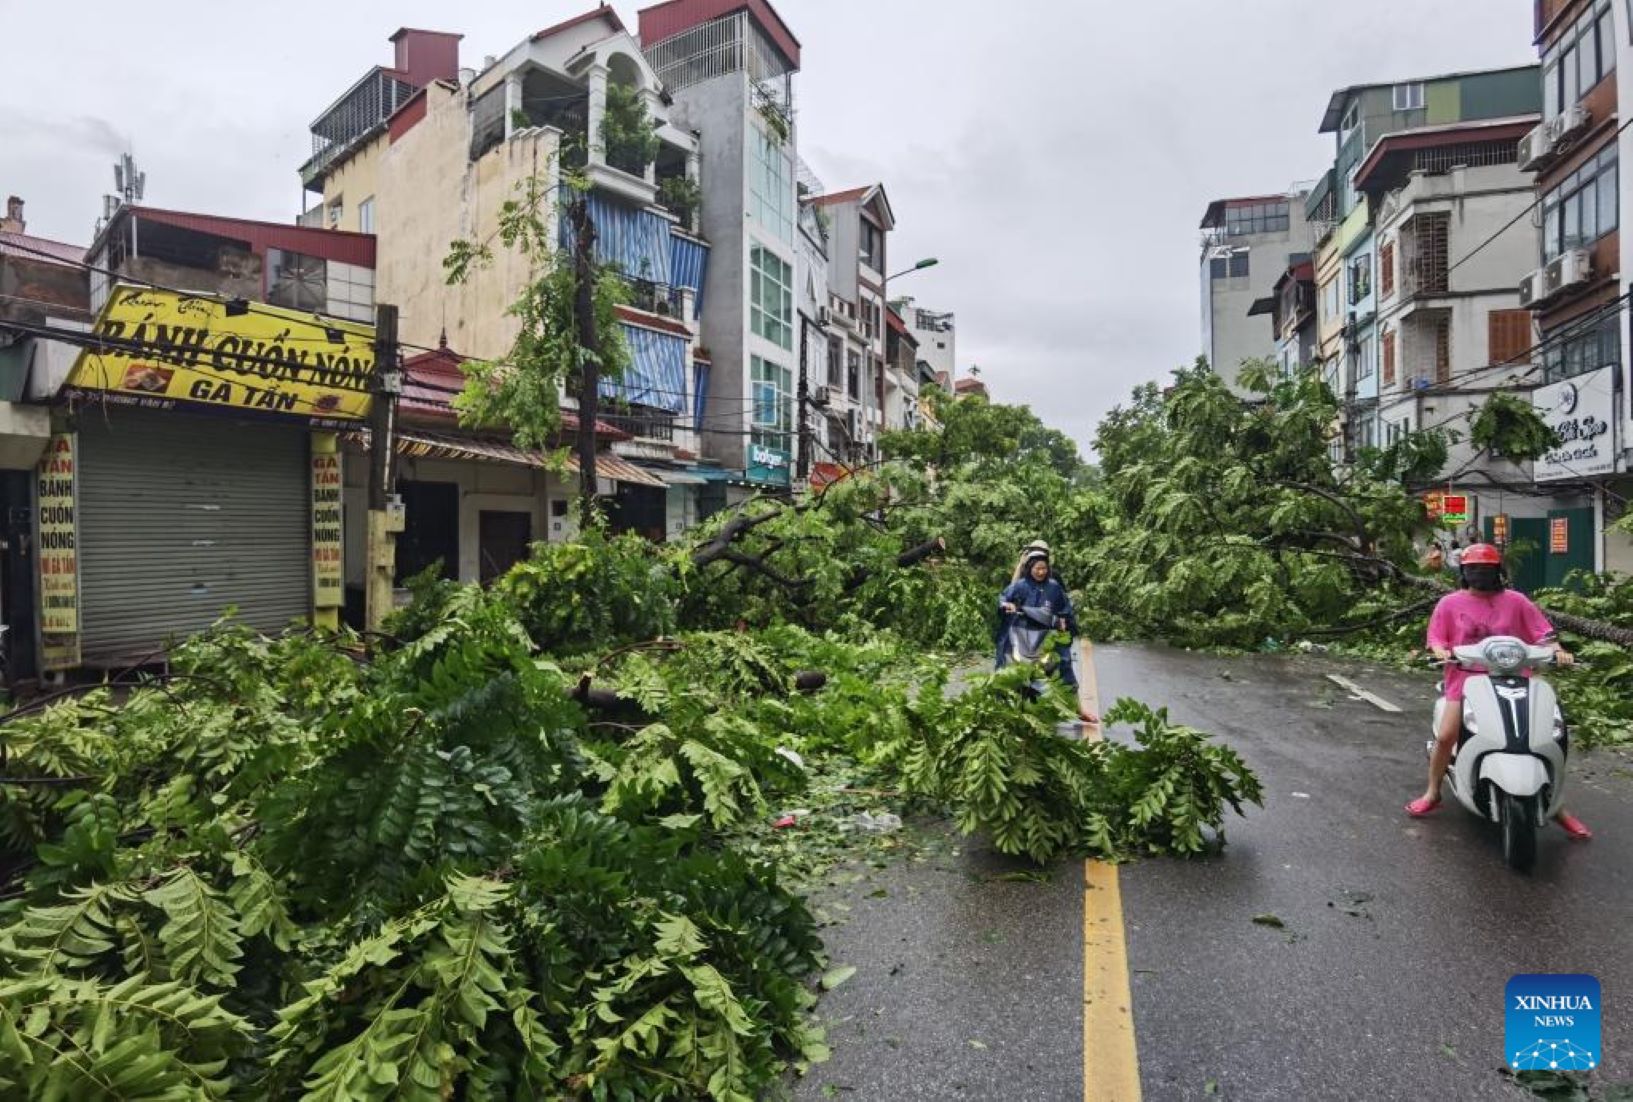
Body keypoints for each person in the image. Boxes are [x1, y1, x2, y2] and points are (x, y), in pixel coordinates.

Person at [1405, 543, 1591, 838]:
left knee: (1549, 737)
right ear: (1464, 572)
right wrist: (1440, 651)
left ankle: (1557, 807)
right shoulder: (1449, 604)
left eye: (1487, 569)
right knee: (1446, 735)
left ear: (1498, 571)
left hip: (1515, 680)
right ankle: (1432, 792)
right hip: (1465, 681)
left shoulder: (1516, 601)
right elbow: (1436, 639)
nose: (1480, 574)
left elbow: (1543, 634)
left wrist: (1558, 650)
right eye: (1474, 569)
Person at [997, 550, 1080, 692]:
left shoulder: (1054, 587)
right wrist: (1006, 605)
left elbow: (1065, 608)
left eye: (1044, 568)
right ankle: (1001, 690)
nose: (1041, 572)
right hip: (1023, 633)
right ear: (1030, 568)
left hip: (1047, 634)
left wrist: (1064, 620)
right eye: (1037, 569)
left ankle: (1070, 691)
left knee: (1063, 659)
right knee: (1005, 654)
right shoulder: (1020, 585)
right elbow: (1003, 598)